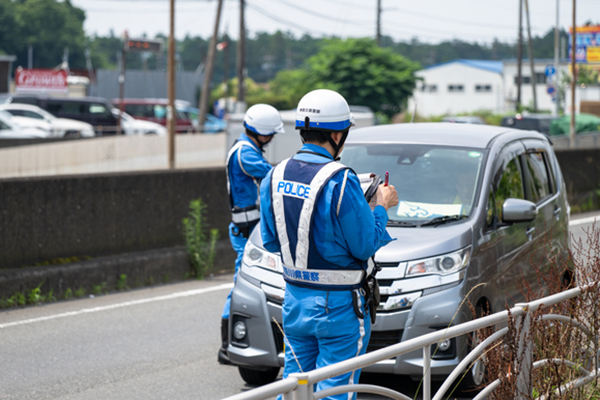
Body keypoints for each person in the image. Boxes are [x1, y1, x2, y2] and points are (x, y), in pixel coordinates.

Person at [259, 89, 398, 399]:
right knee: (335, 392)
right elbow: (364, 246)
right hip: (338, 307)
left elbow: (271, 240)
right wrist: (381, 207)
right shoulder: (341, 180)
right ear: (337, 134)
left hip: (294, 300)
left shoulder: (273, 175)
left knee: (295, 388)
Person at [218, 103, 284, 365]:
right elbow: (272, 176)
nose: (271, 139)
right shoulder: (246, 154)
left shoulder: (244, 148)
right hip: (246, 229)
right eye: (271, 134)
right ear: (261, 132)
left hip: (246, 227)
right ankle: (227, 344)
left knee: (242, 280)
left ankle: (229, 343)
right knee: (241, 282)